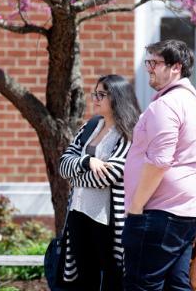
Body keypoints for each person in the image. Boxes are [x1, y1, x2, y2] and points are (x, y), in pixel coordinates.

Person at [123, 39, 196, 290]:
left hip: (161, 211)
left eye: (155, 62)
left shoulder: (167, 104)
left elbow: (160, 161)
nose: (149, 67)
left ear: (176, 67)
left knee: (141, 284)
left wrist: (136, 207)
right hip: (188, 210)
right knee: (177, 284)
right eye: (148, 61)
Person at [59, 74, 141, 291]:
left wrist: (77, 175)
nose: (94, 98)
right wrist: (87, 161)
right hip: (77, 212)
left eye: (101, 94)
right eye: (94, 93)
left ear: (117, 97)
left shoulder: (128, 134)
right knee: (85, 278)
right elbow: (63, 165)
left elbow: (108, 176)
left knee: (112, 278)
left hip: (106, 219)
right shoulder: (90, 126)